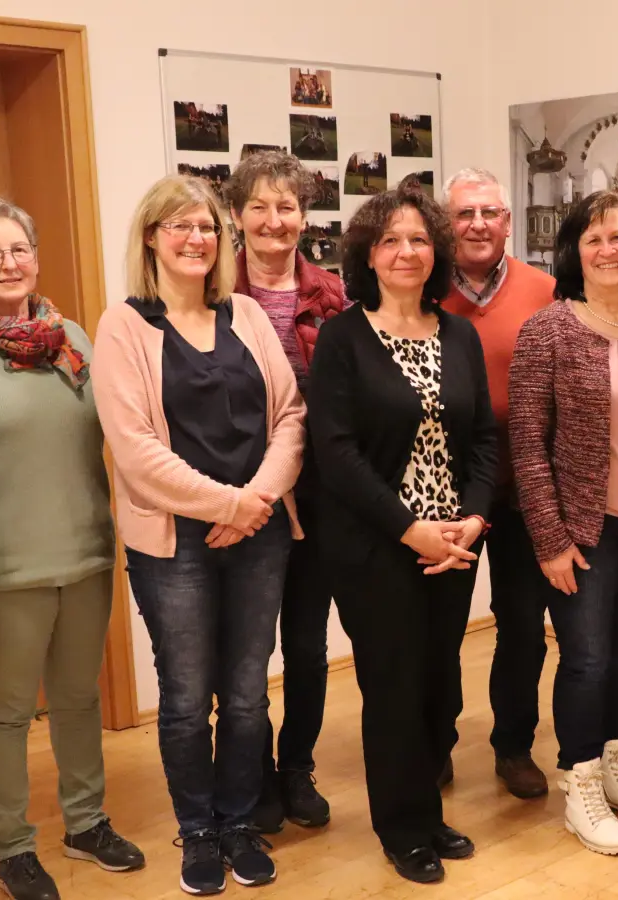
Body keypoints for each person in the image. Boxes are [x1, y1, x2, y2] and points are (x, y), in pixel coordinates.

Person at [92, 174, 306, 896]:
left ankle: (240, 822)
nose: (196, 238)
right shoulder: (124, 326)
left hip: (259, 531)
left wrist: (255, 502)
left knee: (247, 694)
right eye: (179, 226)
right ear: (151, 237)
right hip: (174, 543)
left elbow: (290, 416)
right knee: (186, 699)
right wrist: (228, 505)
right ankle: (199, 829)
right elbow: (135, 450)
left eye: (208, 226)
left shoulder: (245, 314)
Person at [0, 200, 144, 900]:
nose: (8, 264)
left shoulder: (71, 337)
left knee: (81, 698)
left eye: (19, 248)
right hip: (5, 565)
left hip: (86, 550)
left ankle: (86, 823)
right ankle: (13, 847)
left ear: (36, 256)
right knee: (7, 710)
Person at [309, 186, 496, 885]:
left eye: (419, 239)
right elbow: (336, 454)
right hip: (377, 545)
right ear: (367, 255)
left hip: (455, 544)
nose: (406, 252)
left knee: (439, 686)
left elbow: (485, 439)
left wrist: (473, 521)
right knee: (393, 687)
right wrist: (411, 530)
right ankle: (402, 827)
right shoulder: (343, 338)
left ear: (436, 252)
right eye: (390, 240)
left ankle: (427, 810)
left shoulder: (459, 335)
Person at [510, 190, 618, 857]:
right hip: (585, 528)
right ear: (574, 252)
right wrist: (550, 539)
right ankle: (580, 781)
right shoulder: (549, 330)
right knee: (585, 658)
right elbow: (528, 445)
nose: (609, 250)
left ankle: (613, 764)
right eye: (594, 239)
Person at [222, 150, 348, 834]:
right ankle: (252, 775)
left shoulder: (333, 294)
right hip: (235, 492)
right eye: (260, 207)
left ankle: (296, 767)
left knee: (304, 643)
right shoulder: (211, 289)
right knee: (244, 652)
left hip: (318, 493)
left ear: (305, 215)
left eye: (288, 207)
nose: (275, 221)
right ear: (236, 216)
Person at [437, 168, 556, 799]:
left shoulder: (546, 290)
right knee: (439, 625)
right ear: (446, 223)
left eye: (489, 213)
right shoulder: (424, 290)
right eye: (465, 214)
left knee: (522, 624)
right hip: (445, 491)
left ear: (508, 222)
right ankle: (434, 744)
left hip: (525, 489)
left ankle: (513, 745)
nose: (478, 224)